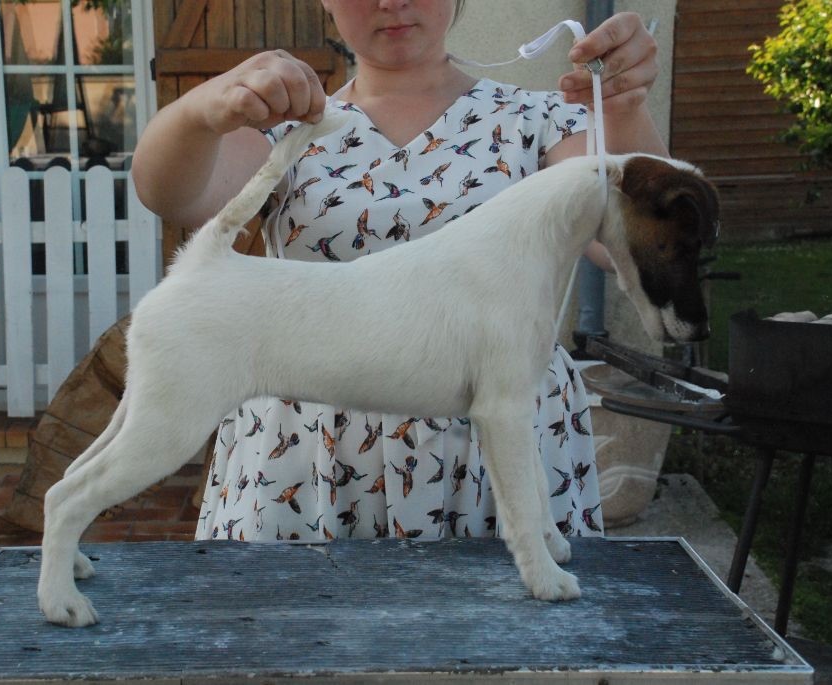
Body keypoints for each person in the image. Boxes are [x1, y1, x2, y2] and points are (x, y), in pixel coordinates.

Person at [131, 0, 667, 542]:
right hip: (312, 441)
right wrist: (200, 110)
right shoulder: (284, 131)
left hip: (491, 437)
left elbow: (631, 245)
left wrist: (624, 109)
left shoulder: (545, 121)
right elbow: (174, 197)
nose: (391, 1)